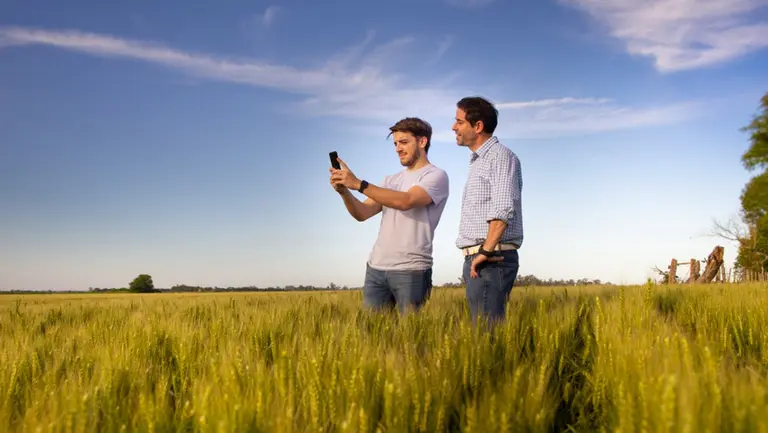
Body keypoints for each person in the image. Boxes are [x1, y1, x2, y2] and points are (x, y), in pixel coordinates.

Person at [329, 117, 450, 314]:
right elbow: (362, 213)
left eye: (403, 142)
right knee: (373, 337)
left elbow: (406, 201)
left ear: (422, 141)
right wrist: (345, 192)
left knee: (410, 338)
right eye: (395, 143)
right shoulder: (389, 180)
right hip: (376, 269)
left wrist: (359, 184)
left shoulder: (436, 176)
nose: (397, 148)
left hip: (411, 270)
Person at [452, 96, 523, 323]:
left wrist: (485, 251)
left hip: (491, 260)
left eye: (459, 122)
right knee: (482, 334)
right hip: (482, 260)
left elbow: (502, 209)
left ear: (478, 126)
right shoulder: (478, 161)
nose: (454, 127)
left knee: (486, 337)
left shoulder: (500, 157)